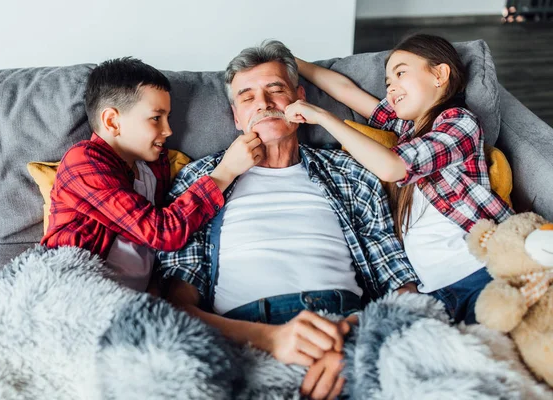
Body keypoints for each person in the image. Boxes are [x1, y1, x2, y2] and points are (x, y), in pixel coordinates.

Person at [159, 40, 418, 400]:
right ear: (236, 118)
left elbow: (402, 287)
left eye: (275, 89)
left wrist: (355, 339)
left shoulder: (350, 172)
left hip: (347, 328)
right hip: (245, 338)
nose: (263, 104)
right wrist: (269, 339)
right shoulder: (203, 179)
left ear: (299, 97)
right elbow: (174, 305)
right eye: (247, 97)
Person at [286, 34, 514, 325]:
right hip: (435, 293)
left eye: (401, 73)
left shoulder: (460, 123)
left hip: (479, 273)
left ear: (439, 75)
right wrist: (291, 63)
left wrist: (322, 117)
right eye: (388, 82)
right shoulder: (404, 128)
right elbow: (346, 91)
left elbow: (394, 168)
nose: (391, 87)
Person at [42, 57, 263, 293]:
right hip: (74, 290)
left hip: (136, 302)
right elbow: (164, 232)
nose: (168, 130)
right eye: (156, 118)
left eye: (167, 118)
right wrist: (225, 172)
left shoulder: (156, 167)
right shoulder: (83, 160)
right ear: (112, 121)